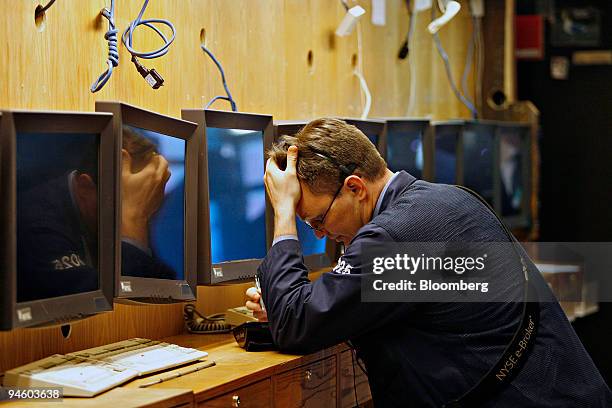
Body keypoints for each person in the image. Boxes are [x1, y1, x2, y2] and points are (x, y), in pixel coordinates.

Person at [245, 118, 611, 407]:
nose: (321, 234)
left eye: (318, 220)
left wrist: (283, 213)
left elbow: (299, 324)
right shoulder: (443, 201)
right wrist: (284, 305)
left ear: (355, 188)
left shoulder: (395, 237)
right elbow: (317, 311)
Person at [17, 127, 174, 303]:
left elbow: (163, 284)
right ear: (84, 187)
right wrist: (133, 217)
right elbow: (105, 302)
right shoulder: (33, 225)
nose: (139, 207)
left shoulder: (104, 213)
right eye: (128, 199)